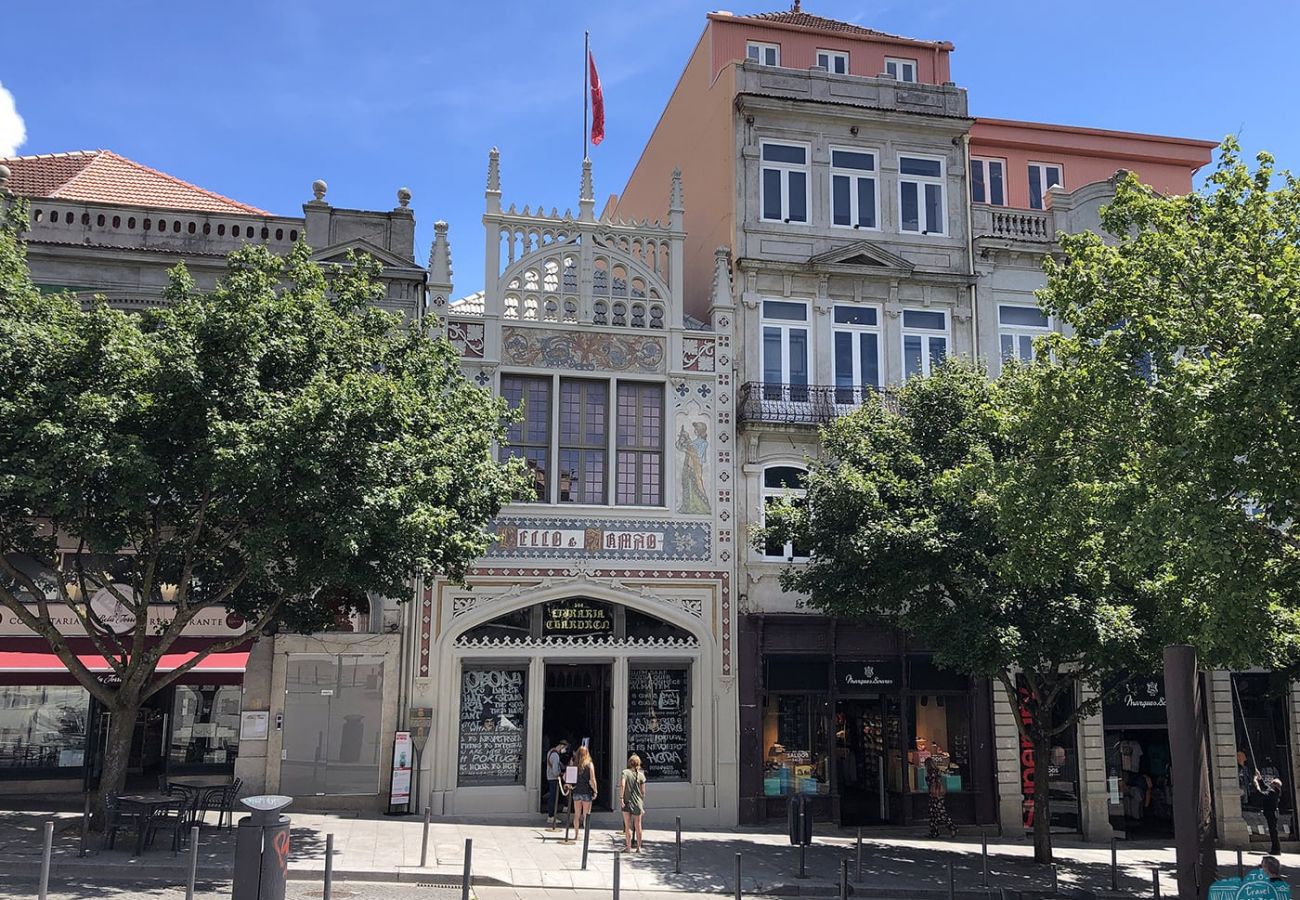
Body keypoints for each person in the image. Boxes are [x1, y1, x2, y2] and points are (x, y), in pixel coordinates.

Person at [925, 755, 958, 839]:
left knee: (939, 813)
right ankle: (935, 831)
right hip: (938, 795)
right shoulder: (937, 771)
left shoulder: (931, 773)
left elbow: (932, 783)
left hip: (935, 795)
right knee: (935, 814)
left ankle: (951, 827)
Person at [620, 754, 647, 852]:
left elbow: (622, 784)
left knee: (628, 825)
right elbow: (643, 792)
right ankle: (639, 847)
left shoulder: (625, 772)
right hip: (638, 803)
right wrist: (641, 804)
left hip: (627, 802)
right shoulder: (641, 775)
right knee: (638, 825)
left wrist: (621, 797)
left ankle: (628, 847)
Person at [1255, 771, 1284, 856]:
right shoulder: (1275, 791)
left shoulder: (1272, 792)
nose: (1270, 783)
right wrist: (1259, 778)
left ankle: (1276, 849)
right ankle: (1275, 849)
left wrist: (1256, 783)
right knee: (1273, 831)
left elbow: (1261, 793)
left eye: (1271, 783)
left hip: (1271, 813)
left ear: (1274, 785)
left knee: (1273, 832)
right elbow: (1264, 786)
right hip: (1272, 813)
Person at [571, 745, 597, 836]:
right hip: (586, 792)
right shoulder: (589, 764)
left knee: (577, 815)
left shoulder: (574, 764)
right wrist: (595, 790)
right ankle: (586, 835)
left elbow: (567, 776)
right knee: (586, 815)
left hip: (576, 791)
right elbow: (593, 779)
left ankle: (576, 834)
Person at [545, 739, 569, 828]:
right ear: (562, 746)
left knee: (553, 796)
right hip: (554, 778)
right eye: (565, 748)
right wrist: (561, 773)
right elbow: (555, 770)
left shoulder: (551, 752)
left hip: (550, 777)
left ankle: (551, 815)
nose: (565, 751)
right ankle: (551, 816)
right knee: (553, 797)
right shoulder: (555, 755)